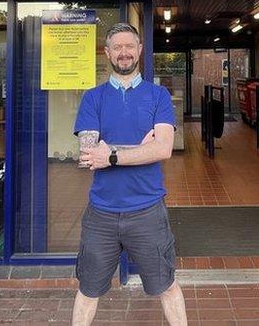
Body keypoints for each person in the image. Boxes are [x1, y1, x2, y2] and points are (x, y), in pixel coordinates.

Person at [70, 22, 187, 326]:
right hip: (101, 214)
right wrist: (137, 150)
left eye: (129, 46)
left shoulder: (158, 96)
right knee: (87, 289)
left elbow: (163, 150)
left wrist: (111, 154)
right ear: (107, 52)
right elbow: (88, 155)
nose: (124, 53)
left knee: (167, 285)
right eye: (117, 47)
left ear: (139, 50)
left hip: (148, 210)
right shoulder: (93, 97)